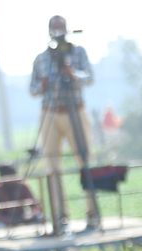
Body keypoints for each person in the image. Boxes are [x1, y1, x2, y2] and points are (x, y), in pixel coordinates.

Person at [30, 15, 101, 230]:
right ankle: (60, 216)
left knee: (85, 160)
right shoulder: (41, 58)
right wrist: (42, 85)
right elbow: (32, 89)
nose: (58, 33)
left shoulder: (78, 52)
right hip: (50, 112)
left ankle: (92, 213)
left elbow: (89, 77)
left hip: (75, 110)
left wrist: (72, 73)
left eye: (61, 29)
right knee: (52, 164)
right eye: (54, 29)